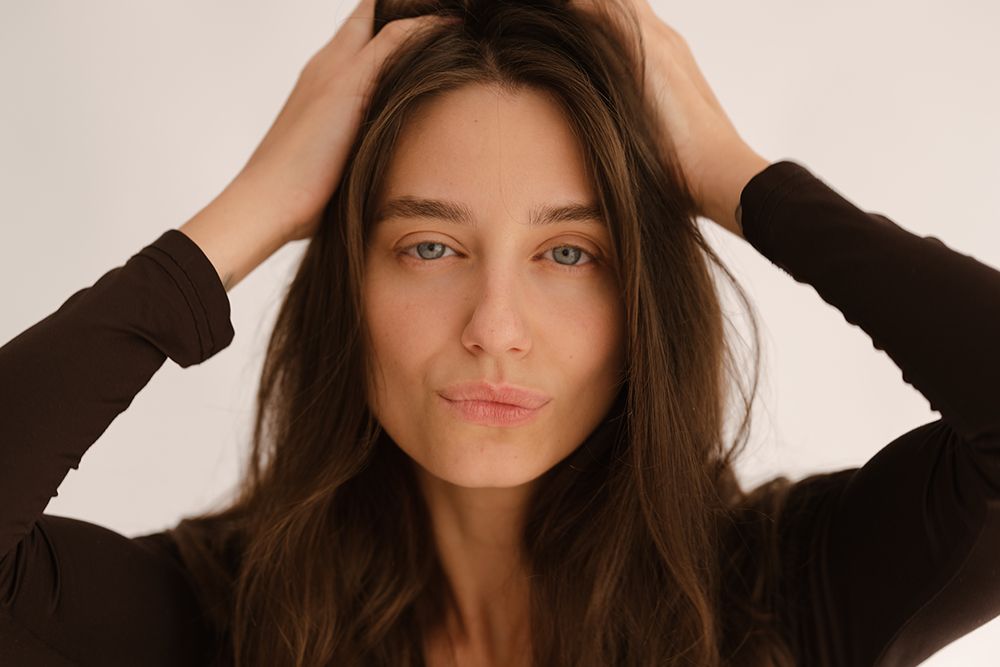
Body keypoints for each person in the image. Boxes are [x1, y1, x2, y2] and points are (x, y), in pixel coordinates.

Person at [2, 0, 998, 665]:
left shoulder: (786, 597)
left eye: (569, 253)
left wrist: (731, 173)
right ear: (345, 285)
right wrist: (253, 207)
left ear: (645, 300)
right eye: (429, 246)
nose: (495, 329)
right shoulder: (216, 618)